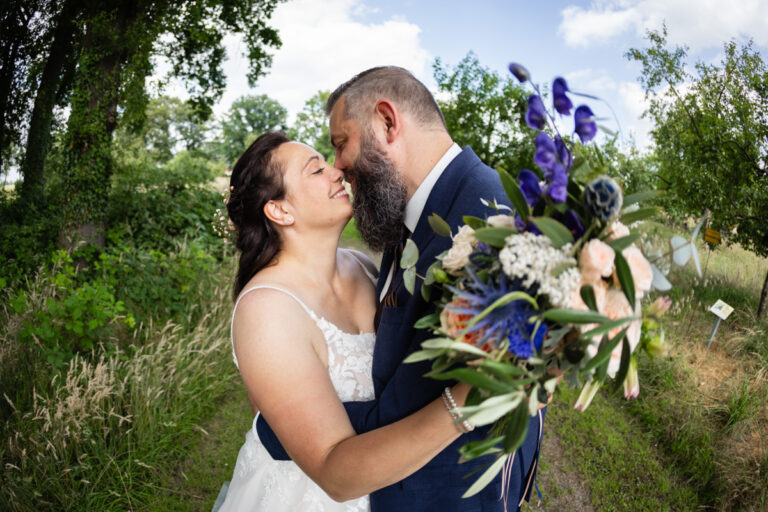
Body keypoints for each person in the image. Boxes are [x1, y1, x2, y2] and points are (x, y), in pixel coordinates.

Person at [255, 67, 546, 511]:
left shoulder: (484, 228)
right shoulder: (413, 213)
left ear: (388, 123)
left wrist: (282, 429)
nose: (338, 167)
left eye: (340, 144)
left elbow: (414, 407)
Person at [218, 131, 474, 511]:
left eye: (328, 162)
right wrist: (470, 401)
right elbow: (334, 474)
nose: (336, 171)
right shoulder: (268, 310)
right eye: (315, 170)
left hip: (391, 485)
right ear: (280, 211)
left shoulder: (361, 266)